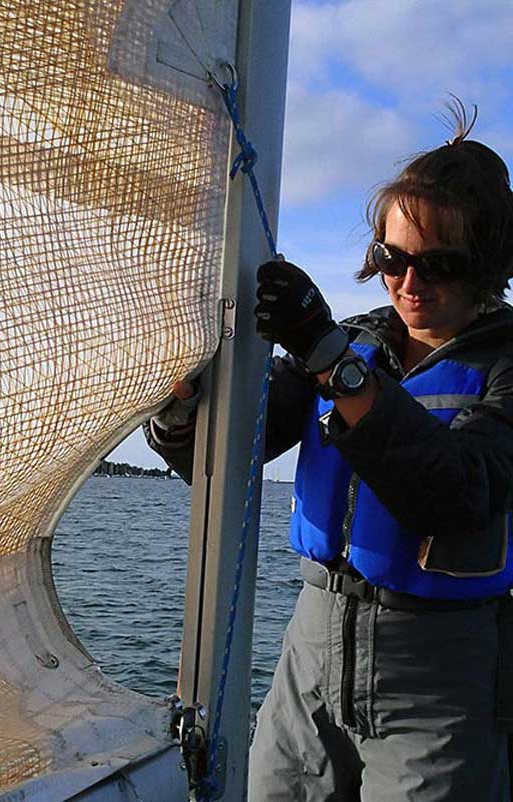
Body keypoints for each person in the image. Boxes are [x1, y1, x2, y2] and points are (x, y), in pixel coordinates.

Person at [146, 101, 513, 801]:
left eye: (439, 264)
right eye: (392, 259)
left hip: (444, 677)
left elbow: (460, 492)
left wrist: (331, 359)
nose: (408, 283)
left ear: (491, 263)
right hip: (310, 656)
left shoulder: (502, 365)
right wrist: (181, 406)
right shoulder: (358, 341)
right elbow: (223, 459)